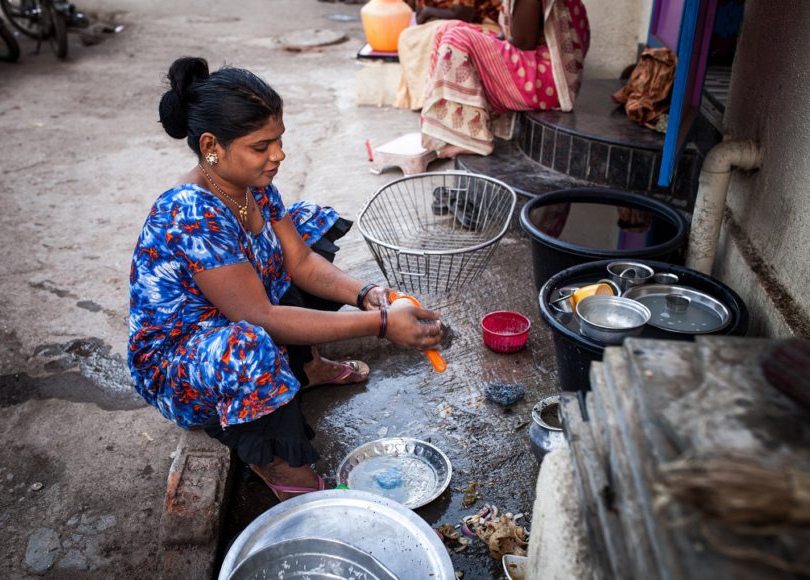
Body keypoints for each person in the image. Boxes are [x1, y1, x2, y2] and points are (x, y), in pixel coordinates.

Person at [128, 57, 444, 501]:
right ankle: (279, 463)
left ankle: (305, 367)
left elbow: (301, 264)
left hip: (233, 315)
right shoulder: (191, 213)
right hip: (181, 364)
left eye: (279, 140)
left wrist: (367, 295)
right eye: (262, 146)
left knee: (309, 226)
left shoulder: (251, 185)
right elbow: (261, 316)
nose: (278, 155)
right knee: (250, 345)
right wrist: (383, 324)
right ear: (211, 145)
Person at [420, 0, 591, 158]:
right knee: (447, 28)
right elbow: (511, 36)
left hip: (548, 79)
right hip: (538, 65)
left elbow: (523, 42)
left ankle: (474, 139)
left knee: (456, 38)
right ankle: (451, 127)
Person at [395, 0, 503, 111]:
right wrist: (429, 13)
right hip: (443, 22)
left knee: (442, 29)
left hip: (483, 24)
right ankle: (422, 97)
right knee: (407, 35)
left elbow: (463, 15)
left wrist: (428, 11)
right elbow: (420, 18)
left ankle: (441, 97)